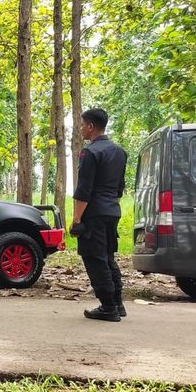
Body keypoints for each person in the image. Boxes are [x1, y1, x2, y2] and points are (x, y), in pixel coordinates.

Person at [70, 108, 128, 322]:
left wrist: (76, 220)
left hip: (94, 214)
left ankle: (108, 306)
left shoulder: (90, 152)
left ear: (91, 127)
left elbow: (84, 190)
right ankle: (118, 303)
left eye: (82, 125)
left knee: (95, 259)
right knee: (108, 257)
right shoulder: (120, 152)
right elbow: (120, 187)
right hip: (112, 211)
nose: (81, 129)